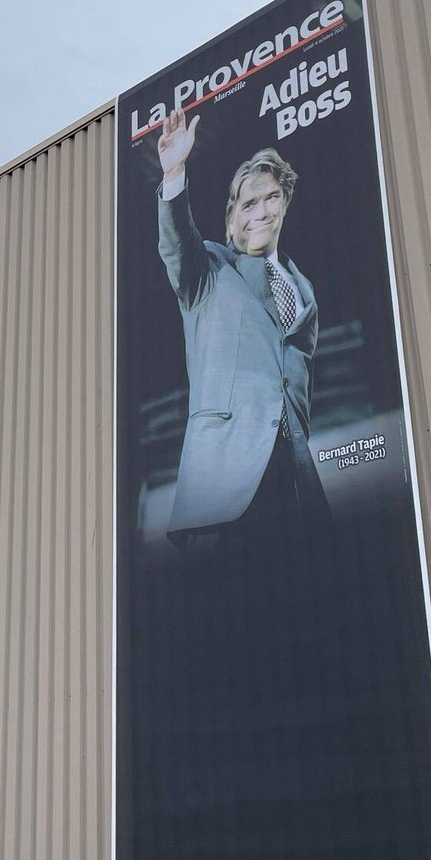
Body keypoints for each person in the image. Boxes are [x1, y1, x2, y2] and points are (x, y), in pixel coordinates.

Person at [156, 104, 331, 539]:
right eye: (248, 203)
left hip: (295, 480)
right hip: (226, 480)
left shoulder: (302, 287)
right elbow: (177, 242)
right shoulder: (209, 270)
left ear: (284, 205)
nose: (262, 211)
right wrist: (174, 172)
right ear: (232, 220)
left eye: (272, 197)